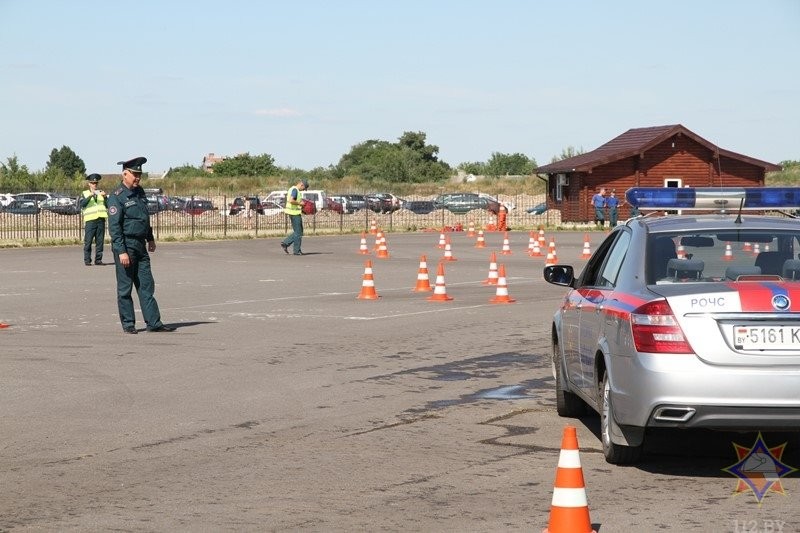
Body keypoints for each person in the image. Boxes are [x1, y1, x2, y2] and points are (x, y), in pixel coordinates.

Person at [107, 157, 175, 334]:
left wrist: (150, 238)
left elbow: (144, 218)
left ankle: (154, 322)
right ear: (125, 174)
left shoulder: (140, 193)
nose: (138, 178)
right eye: (135, 174)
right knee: (125, 288)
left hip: (140, 245)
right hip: (126, 246)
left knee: (146, 285)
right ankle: (128, 323)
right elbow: (115, 227)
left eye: (139, 174)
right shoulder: (117, 197)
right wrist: (121, 251)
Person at [79, 173, 108, 265]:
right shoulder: (85, 193)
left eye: (96, 183)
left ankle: (98, 260)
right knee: (88, 241)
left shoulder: (101, 193)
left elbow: (108, 205)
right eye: (92, 183)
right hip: (90, 220)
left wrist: (105, 197)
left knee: (100, 242)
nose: (94, 185)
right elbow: (82, 204)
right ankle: (87, 260)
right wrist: (90, 195)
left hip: (101, 220)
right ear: (89, 184)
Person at [280, 179, 309, 256]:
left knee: (299, 231)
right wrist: (300, 203)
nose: (303, 190)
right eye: (304, 188)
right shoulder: (295, 190)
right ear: (301, 185)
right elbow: (291, 200)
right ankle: (296, 250)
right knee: (298, 232)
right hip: (294, 214)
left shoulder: (292, 189)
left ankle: (285, 243)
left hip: (293, 213)